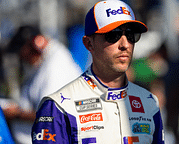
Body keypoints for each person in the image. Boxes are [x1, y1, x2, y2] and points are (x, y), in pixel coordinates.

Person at [32, 0, 164, 144]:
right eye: (113, 35)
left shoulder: (149, 102)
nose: (125, 44)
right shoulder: (59, 106)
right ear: (89, 44)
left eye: (131, 35)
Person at [4, 25, 82, 143]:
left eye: (23, 53)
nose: (23, 58)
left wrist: (15, 114)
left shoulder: (56, 67)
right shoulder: (45, 61)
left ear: (35, 45)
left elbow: (51, 116)